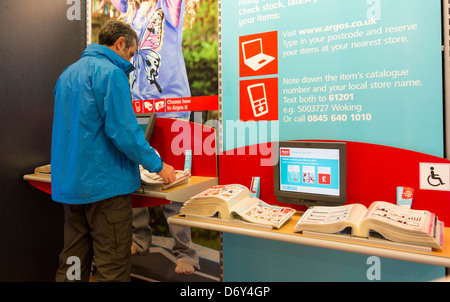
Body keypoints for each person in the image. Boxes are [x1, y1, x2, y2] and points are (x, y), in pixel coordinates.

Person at [51, 20, 176, 282]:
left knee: (73, 262)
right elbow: (125, 133)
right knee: (112, 266)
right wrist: (158, 165)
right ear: (120, 43)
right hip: (105, 187)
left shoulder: (67, 75)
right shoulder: (111, 73)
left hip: (71, 186)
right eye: (131, 54)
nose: (130, 61)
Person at [111, 0, 200, 275]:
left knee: (171, 179)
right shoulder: (133, 10)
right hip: (137, 104)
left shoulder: (169, 6)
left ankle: (186, 252)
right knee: (134, 173)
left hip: (170, 103)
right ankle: (140, 238)